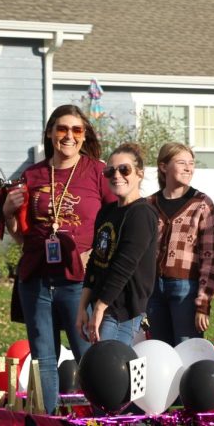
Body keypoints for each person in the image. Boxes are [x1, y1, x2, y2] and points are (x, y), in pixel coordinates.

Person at [2, 105, 117, 413]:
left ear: (84, 136)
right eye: (62, 129)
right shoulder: (33, 174)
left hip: (79, 281)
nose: (69, 136)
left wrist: (97, 253)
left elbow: (119, 220)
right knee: (44, 358)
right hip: (36, 277)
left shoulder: (97, 171)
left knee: (89, 356)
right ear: (51, 133)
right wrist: (8, 214)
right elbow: (22, 234)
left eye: (76, 130)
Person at [78, 144, 159, 346]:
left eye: (124, 169)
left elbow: (125, 266)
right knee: (95, 371)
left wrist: (99, 307)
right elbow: (95, 263)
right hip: (100, 305)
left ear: (139, 174)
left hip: (123, 313)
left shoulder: (142, 214)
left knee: (109, 372)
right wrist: (82, 307)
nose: (116, 175)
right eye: (110, 170)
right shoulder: (106, 212)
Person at [146, 143, 214, 344]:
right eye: (181, 163)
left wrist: (203, 304)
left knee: (187, 348)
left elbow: (211, 257)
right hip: (152, 291)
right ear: (163, 167)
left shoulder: (202, 204)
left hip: (186, 289)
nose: (189, 168)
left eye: (191, 163)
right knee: (159, 349)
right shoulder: (149, 205)